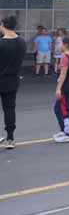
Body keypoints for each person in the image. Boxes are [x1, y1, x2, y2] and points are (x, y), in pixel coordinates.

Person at [0, 16, 27, 149]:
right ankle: (10, 138)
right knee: (9, 108)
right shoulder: (22, 42)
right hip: (13, 80)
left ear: (3, 25)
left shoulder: (1, 43)